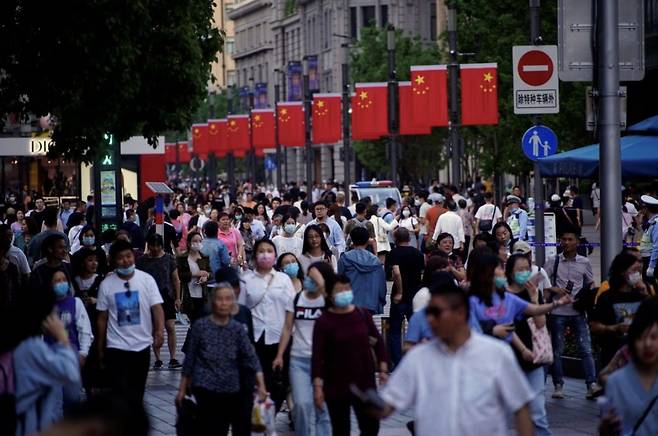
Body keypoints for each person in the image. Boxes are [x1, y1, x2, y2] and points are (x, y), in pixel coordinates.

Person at [378, 282, 535, 436]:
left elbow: (520, 406)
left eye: (436, 312)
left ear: (460, 313)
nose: (430, 319)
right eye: (428, 313)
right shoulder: (418, 358)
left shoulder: (497, 354)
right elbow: (389, 403)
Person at [177, 282, 267, 436]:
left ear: (233, 302)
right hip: (206, 387)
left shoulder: (237, 328)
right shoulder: (200, 326)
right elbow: (190, 359)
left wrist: (261, 384)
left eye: (227, 299)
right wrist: (182, 388)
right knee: (213, 428)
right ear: (213, 302)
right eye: (219, 299)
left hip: (231, 387)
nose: (223, 303)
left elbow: (251, 357)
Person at [312, 274, 388, 436]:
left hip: (364, 382)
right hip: (335, 385)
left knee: (371, 427)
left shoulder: (362, 315)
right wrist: (318, 387)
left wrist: (383, 368)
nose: (344, 293)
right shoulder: (323, 321)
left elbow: (378, 342)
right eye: (339, 290)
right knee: (341, 429)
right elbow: (317, 357)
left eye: (347, 288)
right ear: (330, 295)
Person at [96, 239, 165, 404]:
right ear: (113, 260)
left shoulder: (146, 280)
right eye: (121, 257)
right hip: (116, 347)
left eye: (128, 256)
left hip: (141, 346)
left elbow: (157, 308)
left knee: (137, 391)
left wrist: (159, 331)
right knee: (118, 392)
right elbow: (102, 318)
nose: (126, 261)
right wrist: (100, 347)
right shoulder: (106, 285)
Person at [273, 262, 334, 436]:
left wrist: (322, 284)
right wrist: (279, 355)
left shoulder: (327, 301)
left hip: (324, 361)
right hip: (299, 359)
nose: (309, 280)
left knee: (324, 407)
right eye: (308, 276)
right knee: (300, 406)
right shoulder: (298, 298)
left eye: (314, 277)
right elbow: (287, 327)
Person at [238, 239, 296, 411]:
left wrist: (280, 353)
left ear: (275, 255)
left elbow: (289, 318)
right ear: (254, 256)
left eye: (269, 251)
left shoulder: (283, 280)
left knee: (279, 385)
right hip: (254, 340)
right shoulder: (246, 280)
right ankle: (258, 419)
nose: (265, 254)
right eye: (261, 251)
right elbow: (240, 312)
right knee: (255, 382)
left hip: (279, 340)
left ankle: (269, 416)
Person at [544, 230, 602, 399]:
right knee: (557, 350)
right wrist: (554, 289)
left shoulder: (584, 262)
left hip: (577, 311)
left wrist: (585, 298)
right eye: (564, 239)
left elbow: (590, 283)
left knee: (585, 348)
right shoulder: (553, 261)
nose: (566, 242)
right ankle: (558, 385)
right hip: (558, 312)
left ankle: (591, 383)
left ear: (577, 242)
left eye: (570, 239)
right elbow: (543, 282)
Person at [503, 254, 553, 436]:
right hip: (508, 360)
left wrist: (534, 298)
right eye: (520, 269)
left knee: (538, 413)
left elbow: (541, 324)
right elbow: (504, 326)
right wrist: (521, 349)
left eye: (527, 268)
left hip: (533, 359)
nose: (525, 273)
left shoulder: (533, 292)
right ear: (509, 272)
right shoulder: (501, 294)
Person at [13, 303, 81, 435]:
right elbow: (72, 379)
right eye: (54, 315)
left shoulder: (32, 348)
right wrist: (63, 338)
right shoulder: (33, 349)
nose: (58, 320)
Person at [599, 297, 658, 436]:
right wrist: (606, 428)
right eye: (641, 338)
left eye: (654, 337)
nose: (647, 344)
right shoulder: (617, 382)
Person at [590, 251, 649, 367]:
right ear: (622, 271)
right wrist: (614, 328)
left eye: (639, 272)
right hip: (614, 357)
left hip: (641, 357)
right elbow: (594, 326)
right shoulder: (607, 297)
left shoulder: (643, 293)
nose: (637, 275)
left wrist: (645, 292)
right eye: (634, 271)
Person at [136, 233, 182, 369]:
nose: (155, 248)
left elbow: (175, 279)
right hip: (149, 298)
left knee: (170, 327)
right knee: (155, 328)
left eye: (157, 245)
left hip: (166, 296)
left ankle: (173, 357)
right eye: (152, 245)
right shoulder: (142, 261)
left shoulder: (169, 259)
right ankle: (157, 358)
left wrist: (178, 298)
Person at [388, 227, 424, 367]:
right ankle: (417, 361)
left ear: (396, 239)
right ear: (409, 239)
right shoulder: (418, 254)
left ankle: (397, 363)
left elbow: (396, 272)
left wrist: (400, 292)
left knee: (395, 331)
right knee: (416, 328)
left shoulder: (394, 253)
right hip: (415, 296)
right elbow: (421, 273)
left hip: (399, 297)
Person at [338, 227, 387, 314]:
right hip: (370, 304)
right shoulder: (376, 261)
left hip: (350, 303)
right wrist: (381, 301)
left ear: (352, 239)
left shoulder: (344, 259)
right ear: (367, 240)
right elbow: (382, 285)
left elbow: (339, 281)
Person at [177, 231, 211, 323]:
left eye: (200, 241)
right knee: (193, 323)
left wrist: (206, 276)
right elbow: (179, 275)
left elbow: (210, 273)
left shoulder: (204, 257)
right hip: (188, 295)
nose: (198, 243)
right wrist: (195, 274)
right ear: (189, 243)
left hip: (202, 294)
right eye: (195, 241)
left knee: (200, 323)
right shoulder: (183, 258)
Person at [639, 194, 658, 282]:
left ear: (646, 209)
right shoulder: (651, 222)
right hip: (647, 260)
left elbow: (656, 246)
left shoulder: (656, 223)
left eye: (642, 208)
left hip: (652, 261)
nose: (640, 210)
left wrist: (651, 267)